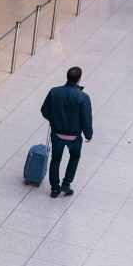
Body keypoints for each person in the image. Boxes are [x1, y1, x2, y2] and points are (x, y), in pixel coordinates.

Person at [40, 66, 94, 197]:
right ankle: (66, 184)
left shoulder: (54, 92)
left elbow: (44, 111)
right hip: (74, 137)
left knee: (56, 159)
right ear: (79, 79)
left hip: (57, 134)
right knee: (74, 157)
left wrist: (54, 121)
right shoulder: (83, 97)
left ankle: (54, 188)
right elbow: (86, 118)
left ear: (67, 77)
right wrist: (88, 134)